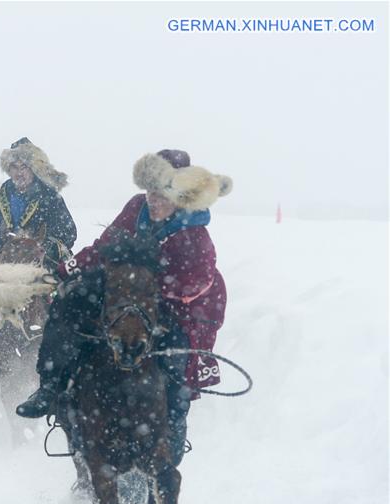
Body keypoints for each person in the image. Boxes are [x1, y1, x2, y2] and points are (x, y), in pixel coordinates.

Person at [15, 149, 232, 462]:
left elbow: (194, 283)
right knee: (69, 303)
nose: (153, 201)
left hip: (179, 305)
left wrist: (144, 284)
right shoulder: (136, 208)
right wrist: (63, 273)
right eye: (150, 193)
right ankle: (50, 386)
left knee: (176, 361)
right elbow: (104, 247)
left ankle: (172, 432)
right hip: (126, 287)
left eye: (162, 196)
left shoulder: (194, 233)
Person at [0, 137, 77, 390]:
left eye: (23, 167)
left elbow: (68, 233)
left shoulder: (50, 199)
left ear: (33, 169)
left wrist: (42, 247)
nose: (19, 172)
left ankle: (65, 361)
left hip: (39, 266)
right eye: (14, 167)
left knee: (66, 302)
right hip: (0, 268)